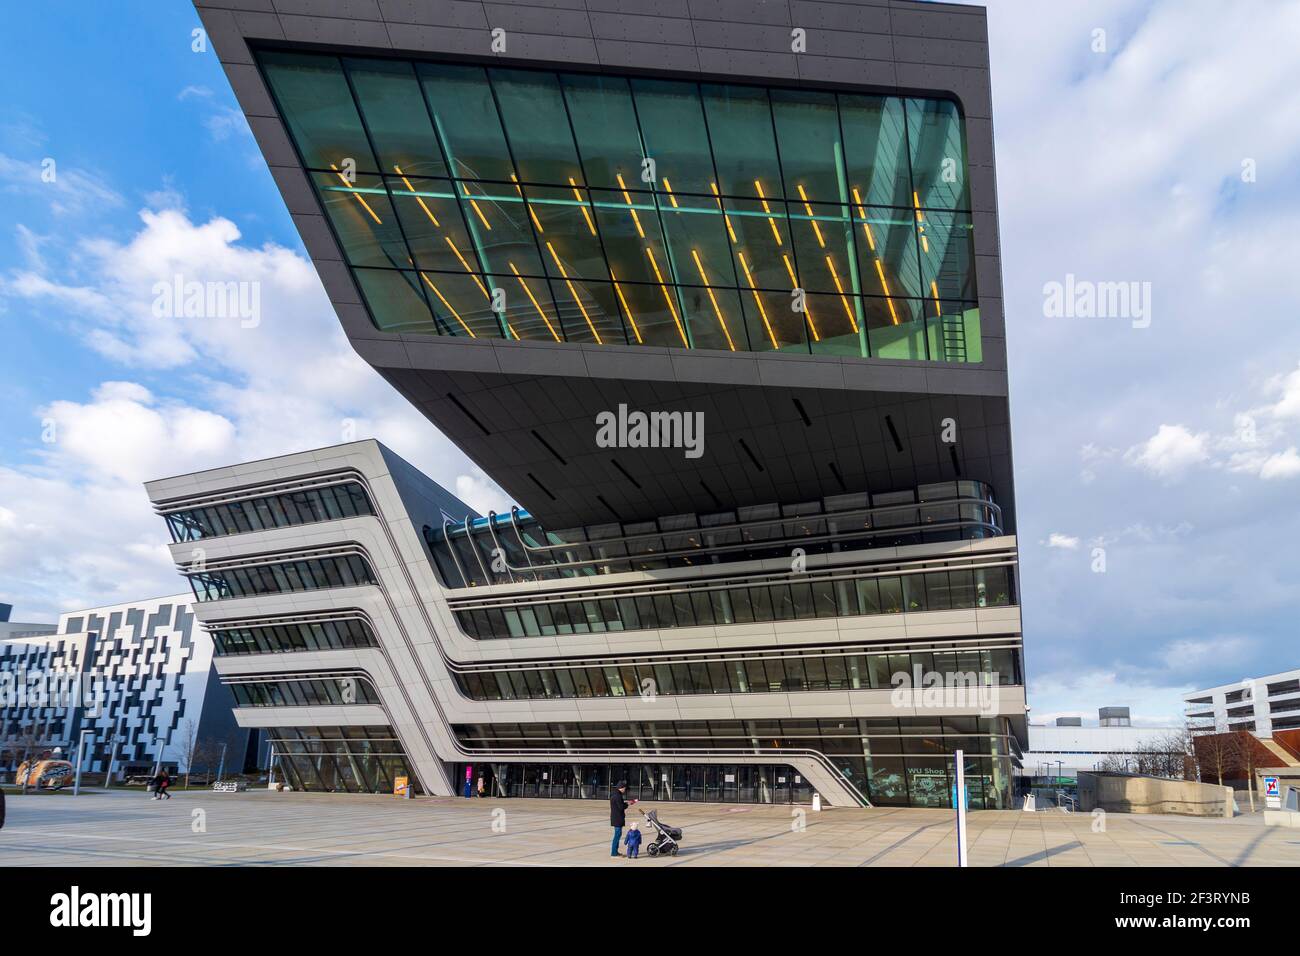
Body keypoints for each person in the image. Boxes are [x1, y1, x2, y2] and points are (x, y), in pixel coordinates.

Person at [609, 780, 636, 857]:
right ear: (621, 788)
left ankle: (615, 851)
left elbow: (619, 805)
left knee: (617, 835)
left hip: (615, 817)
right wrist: (628, 804)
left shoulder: (615, 794)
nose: (625, 790)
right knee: (617, 835)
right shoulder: (617, 796)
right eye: (624, 788)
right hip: (617, 818)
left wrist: (626, 803)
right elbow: (621, 807)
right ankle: (614, 852)